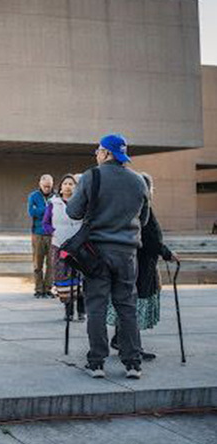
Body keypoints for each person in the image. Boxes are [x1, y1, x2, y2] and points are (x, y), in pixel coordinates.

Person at [67, 134, 149, 380]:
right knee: (127, 307)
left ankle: (97, 362)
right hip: (127, 254)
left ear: (107, 153)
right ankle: (133, 362)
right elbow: (143, 219)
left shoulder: (93, 175)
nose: (96, 154)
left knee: (96, 307)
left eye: (98, 150)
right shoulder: (139, 181)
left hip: (97, 253)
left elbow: (73, 212)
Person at [107, 173, 176, 362]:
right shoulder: (142, 208)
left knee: (128, 303)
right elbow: (150, 239)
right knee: (133, 306)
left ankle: (120, 340)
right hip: (141, 264)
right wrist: (167, 253)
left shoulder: (130, 207)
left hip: (135, 262)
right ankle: (131, 347)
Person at [43, 174, 85, 321]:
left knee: (80, 277)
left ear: (76, 187)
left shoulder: (81, 203)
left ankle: (81, 310)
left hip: (79, 246)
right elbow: (46, 223)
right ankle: (68, 311)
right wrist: (54, 232)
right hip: (60, 245)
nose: (68, 186)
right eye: (65, 183)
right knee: (65, 278)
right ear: (60, 187)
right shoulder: (53, 203)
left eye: (71, 184)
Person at [28, 174, 55, 298]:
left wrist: (41, 210)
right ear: (40, 184)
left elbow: (57, 213)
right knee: (37, 263)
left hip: (52, 234)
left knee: (51, 263)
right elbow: (31, 212)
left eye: (49, 186)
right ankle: (38, 289)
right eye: (45, 186)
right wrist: (47, 209)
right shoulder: (33, 196)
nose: (47, 188)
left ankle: (48, 288)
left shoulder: (56, 196)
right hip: (37, 233)